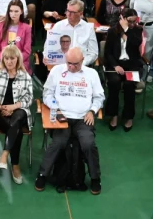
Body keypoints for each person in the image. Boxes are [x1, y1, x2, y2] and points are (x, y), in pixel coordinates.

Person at [35, 47, 105, 194]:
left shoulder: (91, 74)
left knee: (88, 143)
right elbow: (47, 93)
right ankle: (42, 174)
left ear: (82, 61)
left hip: (83, 118)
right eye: (69, 63)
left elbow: (99, 97)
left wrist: (92, 111)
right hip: (62, 117)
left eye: (76, 64)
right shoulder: (56, 71)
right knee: (59, 143)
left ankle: (95, 178)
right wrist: (55, 108)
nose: (72, 67)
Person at [0, 45, 34, 186]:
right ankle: (15, 165)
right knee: (15, 129)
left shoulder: (25, 76)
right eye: (7, 58)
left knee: (18, 118)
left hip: (19, 111)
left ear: (18, 59)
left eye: (12, 58)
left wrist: (13, 107)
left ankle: (5, 154)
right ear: (3, 59)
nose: (9, 61)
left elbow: (29, 98)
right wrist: (1, 107)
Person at [102, 6, 143, 131]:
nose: (132, 24)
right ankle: (113, 114)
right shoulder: (112, 31)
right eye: (129, 21)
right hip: (116, 64)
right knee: (114, 83)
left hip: (132, 65)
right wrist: (115, 65)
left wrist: (128, 34)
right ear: (122, 18)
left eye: (134, 21)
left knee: (129, 85)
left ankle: (128, 116)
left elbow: (137, 44)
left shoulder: (136, 30)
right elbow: (108, 52)